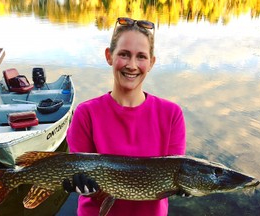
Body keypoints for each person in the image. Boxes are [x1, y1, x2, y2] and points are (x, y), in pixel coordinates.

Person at [63, 17, 186, 216]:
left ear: (152, 62)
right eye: (124, 54)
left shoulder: (171, 114)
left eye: (141, 57)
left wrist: (186, 186)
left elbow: (176, 172)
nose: (132, 65)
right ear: (109, 56)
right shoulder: (86, 113)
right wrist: (80, 185)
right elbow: (77, 171)